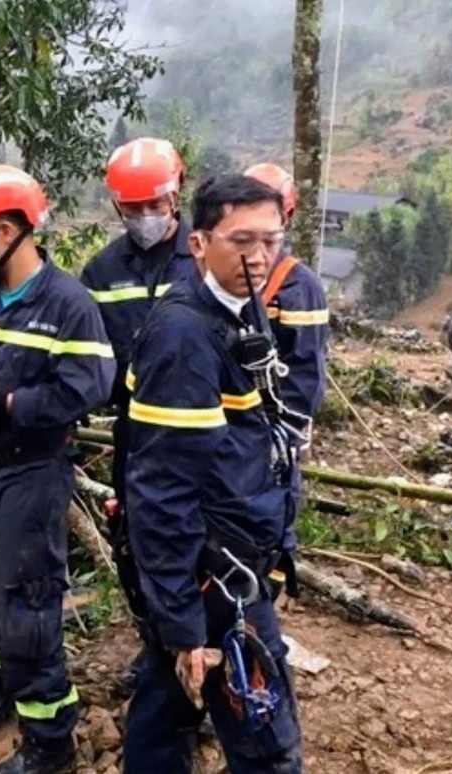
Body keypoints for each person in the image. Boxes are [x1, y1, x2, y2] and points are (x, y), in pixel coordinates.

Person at [0, 164, 115, 774]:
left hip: (36, 472)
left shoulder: (68, 305)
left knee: (28, 603)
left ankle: (50, 741)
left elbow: (85, 389)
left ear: (7, 230)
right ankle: (2, 687)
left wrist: (4, 402)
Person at [122, 174, 304, 773]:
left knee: (167, 704)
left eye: (270, 241)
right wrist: (183, 623)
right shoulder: (184, 336)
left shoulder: (241, 307)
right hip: (212, 573)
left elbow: (258, 437)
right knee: (264, 737)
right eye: (241, 240)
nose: (258, 256)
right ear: (198, 244)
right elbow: (161, 490)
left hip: (232, 555)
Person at [79, 137, 199, 691]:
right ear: (117, 208)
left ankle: (206, 652)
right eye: (134, 209)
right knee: (134, 539)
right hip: (135, 431)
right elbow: (88, 353)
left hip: (202, 430)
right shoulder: (102, 273)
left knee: (203, 541)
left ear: (176, 196)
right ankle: (156, 646)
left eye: (156, 205)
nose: (147, 217)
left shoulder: (205, 256)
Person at [242, 163, 330, 600]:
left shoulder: (298, 287)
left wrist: (284, 432)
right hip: (232, 421)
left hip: (274, 424)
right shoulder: (227, 277)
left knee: (275, 510)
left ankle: (270, 593)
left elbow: (306, 369)